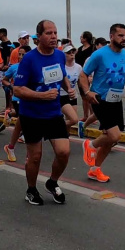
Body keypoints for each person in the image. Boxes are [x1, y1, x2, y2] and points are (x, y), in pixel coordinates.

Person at [13, 20, 72, 204]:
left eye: (55, 33)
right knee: (35, 157)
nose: (53, 36)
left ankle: (52, 182)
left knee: (63, 152)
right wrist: (42, 96)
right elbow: (18, 89)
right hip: (31, 114)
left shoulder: (60, 56)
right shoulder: (29, 59)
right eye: (48, 33)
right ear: (38, 37)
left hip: (53, 113)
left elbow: (61, 75)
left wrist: (69, 88)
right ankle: (31, 190)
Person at [80, 23, 125, 184]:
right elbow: (83, 75)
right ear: (111, 36)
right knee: (115, 135)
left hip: (115, 100)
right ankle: (91, 144)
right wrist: (87, 93)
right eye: (120, 35)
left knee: (111, 138)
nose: (124, 39)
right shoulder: (99, 55)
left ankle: (95, 170)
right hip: (99, 99)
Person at [2, 45, 29, 162]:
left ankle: (11, 147)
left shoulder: (32, 67)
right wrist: (11, 86)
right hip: (17, 98)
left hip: (30, 98)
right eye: (19, 54)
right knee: (25, 122)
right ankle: (28, 154)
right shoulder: (14, 68)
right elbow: (4, 79)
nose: (21, 57)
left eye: (24, 54)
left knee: (21, 123)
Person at [76, 31, 96, 125]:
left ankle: (93, 115)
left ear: (85, 38)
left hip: (88, 74)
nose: (80, 38)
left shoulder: (92, 49)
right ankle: (85, 115)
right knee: (83, 97)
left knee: (89, 96)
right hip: (80, 74)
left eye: (81, 37)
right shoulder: (80, 49)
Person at [60, 45, 81, 130]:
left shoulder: (78, 67)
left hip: (73, 96)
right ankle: (55, 127)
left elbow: (80, 83)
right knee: (73, 119)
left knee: (70, 122)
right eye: (69, 53)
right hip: (62, 95)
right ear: (64, 55)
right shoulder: (62, 66)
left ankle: (65, 138)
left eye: (73, 52)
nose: (72, 54)